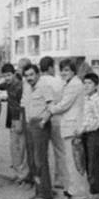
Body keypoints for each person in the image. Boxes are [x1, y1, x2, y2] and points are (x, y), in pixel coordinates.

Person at [47, 59, 87, 199]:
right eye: (62, 70)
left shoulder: (74, 85)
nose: (64, 73)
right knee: (72, 159)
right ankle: (74, 188)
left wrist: (51, 108)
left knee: (74, 160)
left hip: (72, 125)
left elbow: (64, 105)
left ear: (73, 71)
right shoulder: (70, 83)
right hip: (70, 125)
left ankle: (78, 190)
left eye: (67, 70)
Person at [23, 63, 55, 199]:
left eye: (31, 74)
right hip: (30, 124)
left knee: (40, 159)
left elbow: (51, 107)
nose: (29, 78)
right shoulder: (28, 89)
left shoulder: (44, 87)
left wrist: (43, 122)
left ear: (38, 74)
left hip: (40, 124)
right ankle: (39, 190)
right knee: (33, 160)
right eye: (27, 75)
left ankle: (45, 193)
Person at [78, 72, 99, 199]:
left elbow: (98, 120)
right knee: (85, 163)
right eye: (84, 83)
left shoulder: (97, 100)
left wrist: (84, 128)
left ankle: (95, 194)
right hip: (84, 134)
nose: (86, 86)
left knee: (93, 165)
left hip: (93, 134)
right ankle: (90, 191)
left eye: (89, 83)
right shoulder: (85, 99)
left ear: (96, 85)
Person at [39, 57, 67, 189]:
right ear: (51, 67)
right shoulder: (58, 82)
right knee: (60, 150)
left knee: (41, 151)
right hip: (56, 117)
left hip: (40, 117)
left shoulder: (37, 82)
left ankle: (43, 180)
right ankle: (60, 179)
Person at [0, 62, 29, 184]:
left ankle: (23, 174)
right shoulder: (8, 84)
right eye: (5, 75)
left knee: (20, 147)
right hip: (12, 118)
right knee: (14, 147)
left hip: (19, 118)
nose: (7, 77)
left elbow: (23, 105)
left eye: (9, 75)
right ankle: (18, 172)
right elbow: (0, 86)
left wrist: (20, 120)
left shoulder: (19, 86)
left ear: (14, 73)